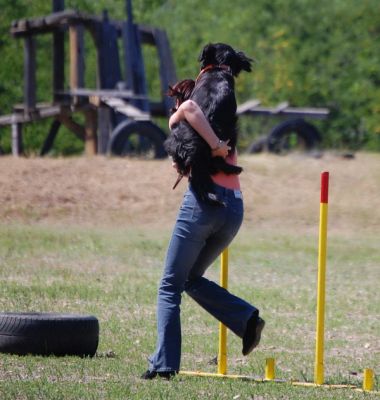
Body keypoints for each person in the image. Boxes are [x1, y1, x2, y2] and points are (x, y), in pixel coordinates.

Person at [141, 78, 265, 381]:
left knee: (170, 284)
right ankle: (246, 319)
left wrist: (176, 121)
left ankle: (164, 364)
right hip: (233, 209)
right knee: (191, 278)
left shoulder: (192, 113)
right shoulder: (223, 123)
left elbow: (189, 108)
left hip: (203, 205)